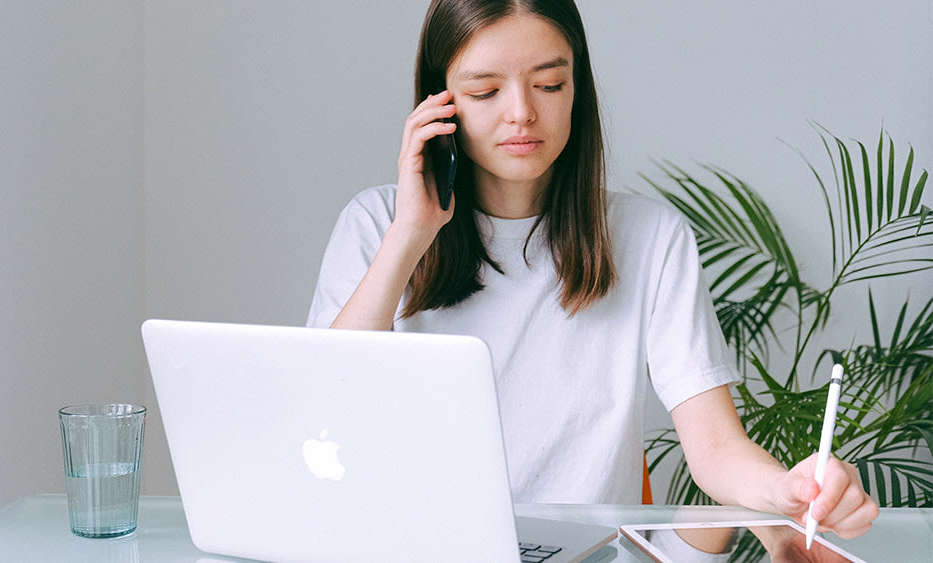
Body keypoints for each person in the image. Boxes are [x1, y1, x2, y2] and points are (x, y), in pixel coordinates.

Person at [306, 0, 878, 540]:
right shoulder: (376, 224)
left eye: (549, 84)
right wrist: (410, 234)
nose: (523, 113)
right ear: (439, 104)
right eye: (484, 91)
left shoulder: (651, 239)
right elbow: (320, 411)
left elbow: (716, 450)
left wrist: (788, 490)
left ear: (577, 88)